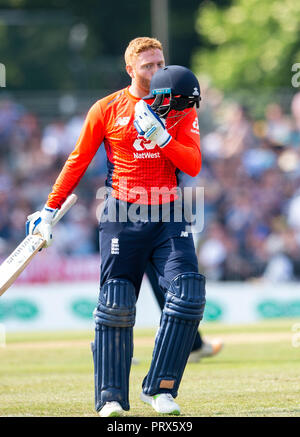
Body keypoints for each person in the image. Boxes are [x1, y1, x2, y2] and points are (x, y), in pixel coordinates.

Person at [26, 37, 206, 417]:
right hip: (122, 216)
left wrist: (162, 136)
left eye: (160, 64)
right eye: (148, 67)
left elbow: (192, 164)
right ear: (130, 70)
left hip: (170, 213)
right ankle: (110, 398)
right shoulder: (107, 108)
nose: (157, 72)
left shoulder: (179, 107)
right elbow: (77, 160)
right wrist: (48, 208)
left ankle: (160, 388)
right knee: (116, 304)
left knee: (189, 294)